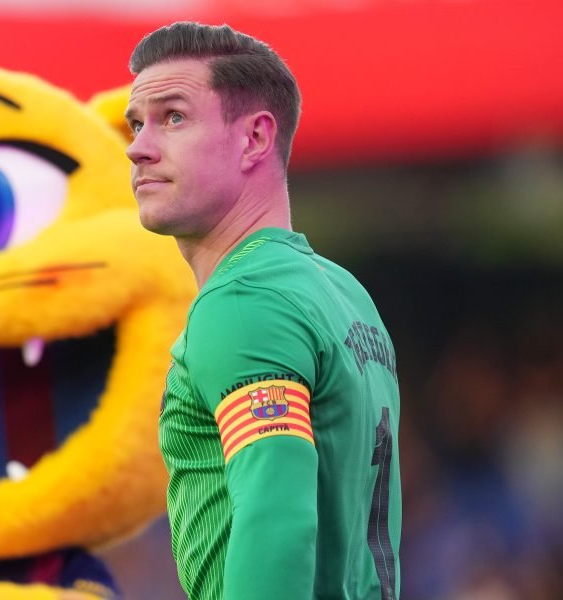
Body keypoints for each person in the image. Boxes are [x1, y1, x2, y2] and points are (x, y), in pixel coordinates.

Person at [124, 22, 402, 599]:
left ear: (254, 138)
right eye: (137, 123)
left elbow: (278, 521)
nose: (138, 147)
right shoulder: (344, 292)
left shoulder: (244, 300)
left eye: (173, 117)